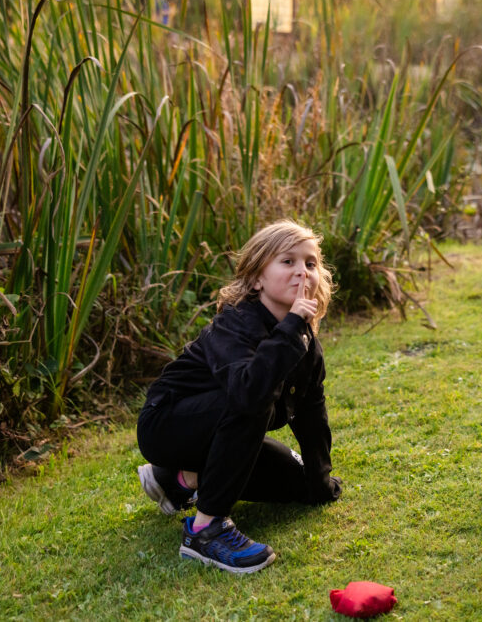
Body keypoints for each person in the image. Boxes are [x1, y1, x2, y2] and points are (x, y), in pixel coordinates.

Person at [136, 220, 342, 573]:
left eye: (310, 263)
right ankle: (206, 530)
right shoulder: (233, 324)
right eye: (287, 261)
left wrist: (319, 481)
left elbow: (311, 412)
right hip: (167, 424)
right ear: (257, 278)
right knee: (253, 396)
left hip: (224, 430)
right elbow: (248, 394)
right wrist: (291, 326)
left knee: (300, 483)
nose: (302, 273)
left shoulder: (305, 343)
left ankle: (179, 480)